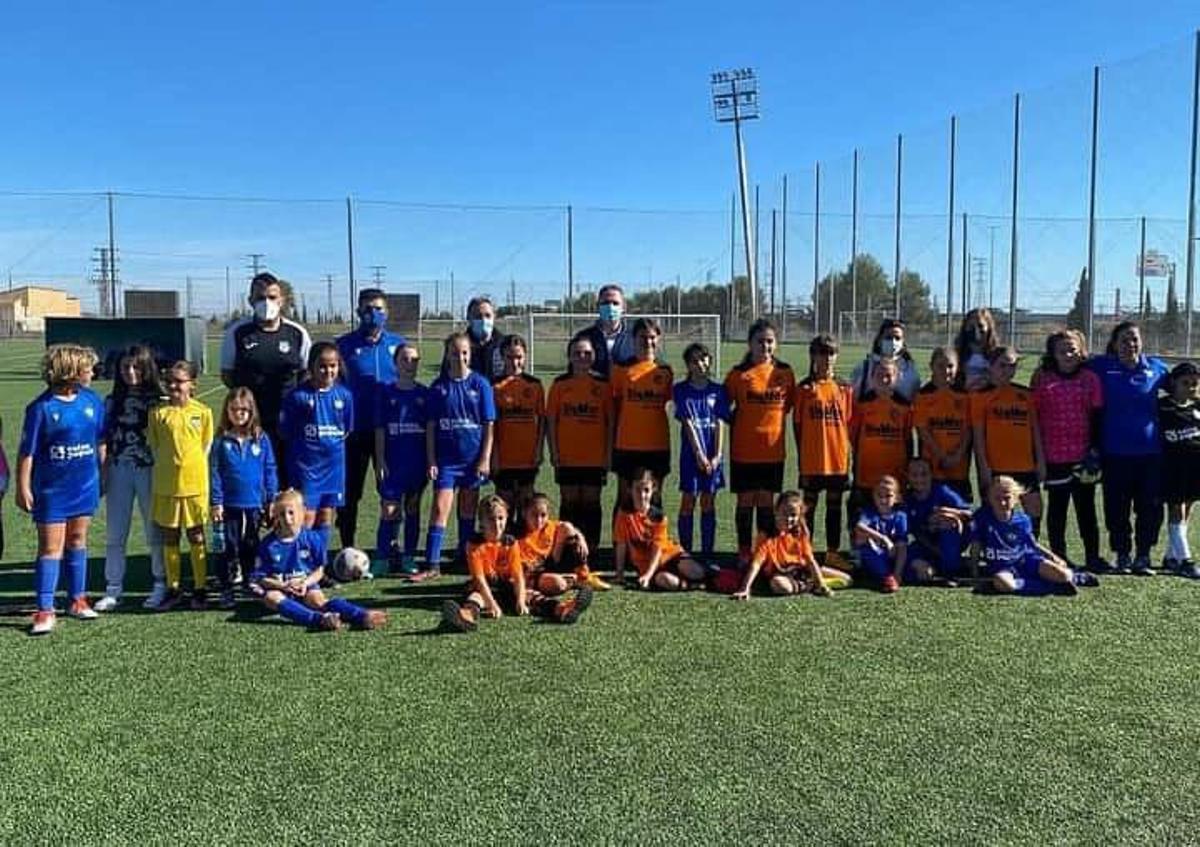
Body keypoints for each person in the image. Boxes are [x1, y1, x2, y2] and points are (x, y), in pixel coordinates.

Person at [17, 344, 106, 635]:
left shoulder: (93, 400)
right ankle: (44, 610)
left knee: (78, 541)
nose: (93, 372)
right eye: (88, 367)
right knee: (50, 548)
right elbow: (27, 452)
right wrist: (23, 487)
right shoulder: (41, 408)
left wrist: (103, 472)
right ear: (71, 371)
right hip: (53, 492)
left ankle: (77, 600)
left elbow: (100, 441)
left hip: (85, 486)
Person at [440, 494, 593, 631]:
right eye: (491, 519)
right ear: (482, 522)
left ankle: (562, 609)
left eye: (500, 518)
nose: (497, 524)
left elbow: (518, 574)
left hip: (508, 585)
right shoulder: (474, 544)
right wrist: (492, 604)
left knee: (531, 596)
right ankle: (466, 616)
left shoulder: (510, 542)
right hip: (486, 587)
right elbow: (479, 579)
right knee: (476, 596)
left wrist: (520, 599)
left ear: (506, 519)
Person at [1087, 321, 1169, 575]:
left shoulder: (1156, 369)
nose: (1129, 344)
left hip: (1151, 455)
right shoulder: (1102, 367)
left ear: (1141, 342)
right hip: (1114, 454)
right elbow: (1068, 365)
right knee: (1116, 509)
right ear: (1114, 343)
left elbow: (1185, 387)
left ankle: (1143, 555)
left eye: (1134, 339)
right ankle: (1122, 554)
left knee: (1150, 508)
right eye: (1124, 339)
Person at [249, 489, 387, 631]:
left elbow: (319, 571)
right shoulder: (268, 544)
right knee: (271, 598)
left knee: (318, 600)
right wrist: (283, 585)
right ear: (276, 516)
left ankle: (362, 615)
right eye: (282, 514)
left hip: (306, 586)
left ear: (303, 512)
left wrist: (305, 583)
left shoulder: (312, 539)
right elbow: (261, 578)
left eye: (291, 512)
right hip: (281, 588)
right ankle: (320, 619)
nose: (287, 518)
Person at [220, 272, 311, 477]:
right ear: (251, 300)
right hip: (249, 422)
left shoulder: (297, 333)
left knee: (287, 479)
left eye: (271, 297)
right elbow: (227, 374)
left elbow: (306, 375)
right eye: (260, 298)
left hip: (287, 422)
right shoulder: (237, 332)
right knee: (251, 479)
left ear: (282, 300)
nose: (266, 302)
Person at [335, 288, 406, 551]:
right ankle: (347, 545)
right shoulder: (343, 346)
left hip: (389, 432)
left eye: (377, 308)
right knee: (350, 492)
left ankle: (391, 542)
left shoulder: (398, 344)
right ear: (357, 312)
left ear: (386, 312)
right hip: (354, 431)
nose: (372, 314)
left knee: (390, 489)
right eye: (366, 309)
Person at [97, 345, 167, 612]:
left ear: (146, 369)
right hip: (118, 470)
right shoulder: (111, 401)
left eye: (136, 367)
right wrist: (103, 471)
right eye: (125, 367)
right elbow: (103, 439)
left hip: (150, 470)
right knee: (116, 532)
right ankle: (113, 588)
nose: (130, 372)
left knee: (154, 530)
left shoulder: (159, 401)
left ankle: (160, 583)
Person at [1031, 329, 1105, 572]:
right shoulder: (1043, 379)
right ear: (1053, 353)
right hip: (1054, 456)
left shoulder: (1089, 379)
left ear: (1081, 350)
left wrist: (1094, 450)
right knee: (1057, 508)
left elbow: (1096, 416)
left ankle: (1093, 556)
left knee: (1086, 509)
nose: (1068, 354)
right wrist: (1038, 455)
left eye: (1072, 349)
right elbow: (1035, 417)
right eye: (1062, 350)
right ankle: (1058, 555)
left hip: (1083, 456)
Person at [424, 332, 496, 578]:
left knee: (467, 509)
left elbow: (488, 425)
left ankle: (465, 557)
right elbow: (431, 427)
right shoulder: (438, 387)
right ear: (447, 354)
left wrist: (485, 458)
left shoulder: (480, 384)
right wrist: (432, 459)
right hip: (446, 462)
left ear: (470, 354)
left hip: (472, 461)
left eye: (464, 352)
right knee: (440, 508)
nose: (460, 357)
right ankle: (432, 563)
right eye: (455, 352)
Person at [724, 319, 796, 564]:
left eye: (770, 341)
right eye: (760, 341)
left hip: (772, 451)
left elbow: (787, 407)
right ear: (750, 344)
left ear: (775, 344)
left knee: (766, 502)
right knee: (745, 501)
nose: (765, 346)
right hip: (743, 450)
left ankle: (764, 549)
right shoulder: (738, 375)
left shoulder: (785, 373)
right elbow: (724, 406)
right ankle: (744, 551)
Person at [148, 360, 214, 611]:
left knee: (196, 534)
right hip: (167, 486)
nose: (174, 385)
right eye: (171, 381)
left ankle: (200, 588)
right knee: (170, 535)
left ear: (192, 385)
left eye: (180, 381)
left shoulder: (203, 412)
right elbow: (155, 447)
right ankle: (174, 588)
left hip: (195, 485)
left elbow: (205, 447)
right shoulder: (158, 414)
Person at [279, 343, 353, 562]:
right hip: (307, 469)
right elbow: (286, 432)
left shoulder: (344, 396)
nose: (328, 371)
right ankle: (298, 564)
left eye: (333, 366)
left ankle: (318, 564)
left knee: (326, 515)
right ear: (311, 367)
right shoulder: (298, 396)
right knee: (307, 516)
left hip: (334, 467)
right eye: (322, 366)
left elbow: (346, 429)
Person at [209, 388, 279, 609]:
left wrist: (270, 499)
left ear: (251, 412)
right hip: (229, 505)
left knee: (251, 544)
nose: (239, 414)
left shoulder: (261, 438)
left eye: (244, 410)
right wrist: (216, 501)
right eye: (234, 410)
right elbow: (215, 472)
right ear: (227, 411)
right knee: (228, 546)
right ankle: (226, 587)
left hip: (254, 504)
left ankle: (251, 580)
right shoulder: (221, 441)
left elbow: (269, 469)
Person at [971, 475, 1095, 595]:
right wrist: (975, 574)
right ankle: (1056, 587)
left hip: (1027, 561)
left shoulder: (1022, 519)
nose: (1002, 502)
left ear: (1016, 498)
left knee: (1065, 575)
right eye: (997, 498)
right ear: (989, 498)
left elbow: (1032, 544)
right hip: (1003, 568)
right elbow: (976, 547)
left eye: (1007, 498)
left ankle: (1078, 578)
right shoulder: (982, 517)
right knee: (1004, 583)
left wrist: (1053, 556)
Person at [546, 333, 611, 554]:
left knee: (591, 502)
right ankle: (569, 547)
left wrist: (608, 453)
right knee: (570, 501)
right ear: (570, 356)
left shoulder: (602, 385)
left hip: (594, 456)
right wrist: (554, 452)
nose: (582, 357)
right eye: (577, 353)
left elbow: (610, 422)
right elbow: (551, 422)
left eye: (587, 353)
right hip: (567, 455)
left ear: (593, 357)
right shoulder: (560, 384)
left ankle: (591, 549)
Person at [793, 334, 854, 569]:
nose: (827, 358)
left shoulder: (844, 388)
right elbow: (797, 426)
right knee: (808, 507)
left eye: (831, 353)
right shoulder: (804, 389)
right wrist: (803, 454)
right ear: (813, 356)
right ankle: (803, 551)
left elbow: (847, 423)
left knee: (834, 506)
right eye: (821, 353)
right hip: (812, 458)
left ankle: (832, 552)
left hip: (837, 459)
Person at [971, 346, 1044, 537]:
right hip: (997, 468)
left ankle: (1030, 555)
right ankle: (996, 558)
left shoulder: (1025, 395)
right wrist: (983, 468)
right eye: (1002, 365)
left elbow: (1034, 430)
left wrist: (1040, 461)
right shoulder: (980, 396)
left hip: (1025, 466)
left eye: (1012, 366)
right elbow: (978, 437)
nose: (1007, 371)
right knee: (996, 517)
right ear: (991, 367)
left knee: (1034, 513)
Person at [732, 491, 850, 600]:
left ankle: (815, 582)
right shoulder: (766, 534)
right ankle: (811, 585)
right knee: (780, 585)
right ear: (776, 510)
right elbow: (756, 564)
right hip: (779, 573)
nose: (789, 519)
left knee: (847, 580)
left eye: (793, 515)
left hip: (801, 571)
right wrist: (745, 588)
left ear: (799, 516)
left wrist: (822, 584)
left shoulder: (800, 532)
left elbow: (810, 560)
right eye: (784, 513)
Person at [374, 343, 429, 577]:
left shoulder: (424, 394)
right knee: (389, 510)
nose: (410, 364)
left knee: (413, 508)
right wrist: (379, 460)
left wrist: (430, 461)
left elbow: (430, 431)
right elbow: (379, 430)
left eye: (414, 360)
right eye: (405, 359)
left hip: (416, 463)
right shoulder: (386, 393)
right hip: (393, 463)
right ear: (395, 363)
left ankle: (408, 557)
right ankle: (383, 557)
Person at [672, 342, 730, 558]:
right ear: (688, 365)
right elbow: (687, 423)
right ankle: (685, 553)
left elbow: (720, 422)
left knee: (708, 501)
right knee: (688, 501)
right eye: (694, 360)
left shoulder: (718, 390)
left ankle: (707, 553)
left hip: (713, 457)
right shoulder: (681, 390)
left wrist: (717, 456)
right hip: (692, 456)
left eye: (703, 358)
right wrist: (699, 455)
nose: (700, 364)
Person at [611, 318, 673, 506]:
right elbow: (615, 405)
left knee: (653, 498)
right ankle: (620, 536)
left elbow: (669, 405)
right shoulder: (621, 369)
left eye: (652, 337)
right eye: (642, 337)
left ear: (659, 339)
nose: (648, 342)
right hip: (627, 444)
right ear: (634, 339)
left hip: (657, 444)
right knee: (625, 498)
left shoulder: (665, 371)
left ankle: (654, 537)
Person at [614, 468, 706, 590]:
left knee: (696, 571)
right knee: (665, 580)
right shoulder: (623, 514)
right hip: (649, 566)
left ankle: (713, 577)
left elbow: (657, 551)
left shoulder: (659, 517)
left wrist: (647, 576)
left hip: (670, 556)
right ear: (630, 489)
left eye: (646, 490)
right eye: (637, 489)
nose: (642, 495)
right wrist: (620, 574)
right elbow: (621, 544)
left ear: (653, 490)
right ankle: (692, 586)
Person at [491, 335, 545, 532]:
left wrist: (539, 449)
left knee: (526, 506)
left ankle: (525, 552)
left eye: (519, 357)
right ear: (503, 358)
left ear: (525, 356)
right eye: (510, 357)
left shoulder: (535, 385)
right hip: (504, 456)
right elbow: (492, 425)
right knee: (504, 506)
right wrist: (494, 454)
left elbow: (542, 421)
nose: (515, 362)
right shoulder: (494, 385)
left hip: (527, 455)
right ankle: (504, 551)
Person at [849, 358, 912, 523]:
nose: (884, 380)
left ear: (897, 377)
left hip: (895, 476)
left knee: (892, 520)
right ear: (872, 377)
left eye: (888, 376)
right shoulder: (862, 404)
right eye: (879, 376)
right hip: (866, 475)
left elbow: (908, 439)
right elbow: (853, 438)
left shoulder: (905, 407)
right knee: (863, 519)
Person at [912, 347, 973, 502]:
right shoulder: (923, 395)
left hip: (959, 467)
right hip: (933, 467)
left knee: (959, 512)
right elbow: (922, 430)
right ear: (931, 366)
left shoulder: (965, 395)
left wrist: (957, 455)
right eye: (940, 366)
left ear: (958, 367)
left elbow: (968, 429)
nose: (946, 370)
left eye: (950, 366)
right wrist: (941, 456)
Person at [1157, 361, 1200, 578]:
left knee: (1187, 511)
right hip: (1172, 469)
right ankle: (1186, 560)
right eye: (1186, 383)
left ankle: (1171, 557)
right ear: (1174, 383)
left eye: (1194, 384)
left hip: (1195, 469)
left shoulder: (1197, 407)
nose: (1191, 388)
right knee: (1176, 510)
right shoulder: (1163, 407)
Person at [517, 492, 607, 593]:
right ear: (524, 514)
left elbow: (567, 526)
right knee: (558, 584)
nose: (539, 520)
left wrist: (581, 538)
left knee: (567, 527)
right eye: (534, 515)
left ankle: (584, 576)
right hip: (535, 575)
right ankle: (573, 580)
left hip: (551, 563)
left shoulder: (548, 526)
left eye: (543, 515)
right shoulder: (518, 535)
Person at [903, 457, 972, 585]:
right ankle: (948, 564)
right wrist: (936, 550)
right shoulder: (907, 500)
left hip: (952, 541)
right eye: (914, 475)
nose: (919, 479)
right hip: (927, 545)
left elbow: (970, 514)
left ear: (931, 474)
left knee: (947, 521)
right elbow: (917, 534)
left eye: (924, 474)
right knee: (921, 572)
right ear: (907, 476)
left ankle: (951, 572)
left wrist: (945, 511)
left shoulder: (941, 490)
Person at [853, 476, 908, 593]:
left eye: (888, 496)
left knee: (903, 547)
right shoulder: (870, 513)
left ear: (897, 498)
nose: (883, 500)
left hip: (891, 556)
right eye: (879, 495)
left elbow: (902, 545)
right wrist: (883, 538)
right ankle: (887, 577)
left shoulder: (900, 516)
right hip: (875, 556)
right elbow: (859, 527)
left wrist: (897, 574)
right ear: (873, 496)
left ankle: (895, 576)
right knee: (863, 540)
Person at [850, 318, 921, 402]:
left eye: (897, 338)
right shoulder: (864, 368)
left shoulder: (911, 371)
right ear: (879, 340)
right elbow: (854, 399)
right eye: (888, 337)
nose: (893, 342)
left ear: (903, 342)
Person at [576, 283, 637, 378]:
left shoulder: (634, 337)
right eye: (605, 303)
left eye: (615, 303)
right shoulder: (584, 337)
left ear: (624, 307)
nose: (610, 307)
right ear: (598, 306)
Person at [953, 308, 1000, 391]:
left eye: (980, 326)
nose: (976, 330)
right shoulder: (956, 355)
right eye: (971, 326)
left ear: (989, 328)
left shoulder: (997, 355)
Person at [465, 295, 509, 381]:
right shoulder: (457, 347)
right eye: (478, 316)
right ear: (469, 318)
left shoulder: (505, 345)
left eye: (488, 315)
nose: (483, 320)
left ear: (494, 317)